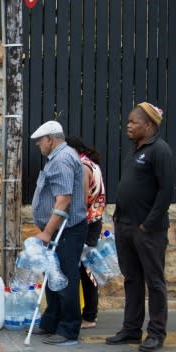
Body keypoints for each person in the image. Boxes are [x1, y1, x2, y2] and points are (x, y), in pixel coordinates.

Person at [106, 102, 175, 352]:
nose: (129, 125)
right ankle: (131, 329)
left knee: (154, 282)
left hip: (148, 230)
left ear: (148, 125)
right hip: (125, 226)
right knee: (131, 279)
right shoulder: (134, 152)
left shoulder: (160, 151)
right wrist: (118, 218)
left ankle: (156, 332)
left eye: (134, 122)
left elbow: (166, 191)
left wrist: (148, 224)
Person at [29, 120, 88, 346]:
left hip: (66, 230)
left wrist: (47, 232)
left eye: (39, 142)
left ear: (50, 139)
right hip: (59, 230)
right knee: (52, 276)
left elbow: (63, 200)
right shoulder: (60, 157)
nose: (38, 146)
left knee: (63, 278)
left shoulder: (62, 159)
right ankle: (51, 322)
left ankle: (68, 329)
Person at [65, 136, 106, 329]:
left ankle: (89, 316)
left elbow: (80, 201)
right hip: (94, 221)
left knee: (85, 270)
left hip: (86, 223)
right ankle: (89, 313)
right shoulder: (92, 164)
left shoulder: (82, 167)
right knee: (87, 269)